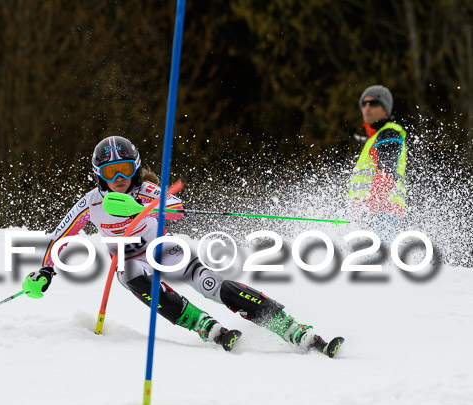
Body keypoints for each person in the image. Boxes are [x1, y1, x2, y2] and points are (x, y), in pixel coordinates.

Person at [22, 136, 344, 357]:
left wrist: (146, 208)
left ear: (135, 168)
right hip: (130, 261)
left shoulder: (146, 190)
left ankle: (290, 327)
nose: (119, 178)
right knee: (130, 275)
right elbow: (59, 238)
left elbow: (174, 206)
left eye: (125, 170)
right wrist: (45, 271)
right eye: (110, 172)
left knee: (211, 284)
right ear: (99, 176)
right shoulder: (90, 204)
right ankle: (203, 325)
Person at [348, 85, 408, 240]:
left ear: (385, 109)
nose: (367, 108)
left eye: (374, 103)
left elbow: (386, 173)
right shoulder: (374, 137)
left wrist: (368, 211)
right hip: (371, 214)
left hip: (381, 214)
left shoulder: (389, 133)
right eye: (364, 103)